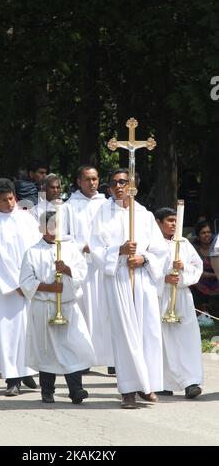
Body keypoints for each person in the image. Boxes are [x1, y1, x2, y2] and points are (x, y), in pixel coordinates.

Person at [90, 168, 167, 408]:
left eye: (123, 182)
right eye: (114, 183)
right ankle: (128, 390)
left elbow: (160, 250)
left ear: (133, 185)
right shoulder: (102, 214)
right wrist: (118, 252)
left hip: (142, 277)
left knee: (148, 331)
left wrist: (143, 259)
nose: (119, 186)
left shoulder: (143, 215)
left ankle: (148, 385)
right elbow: (95, 248)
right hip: (119, 277)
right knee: (125, 333)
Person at [20, 211, 96, 404]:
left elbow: (81, 272)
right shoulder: (32, 252)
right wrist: (49, 287)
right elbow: (26, 281)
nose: (53, 230)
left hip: (68, 306)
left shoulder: (70, 249)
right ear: (41, 228)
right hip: (44, 306)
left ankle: (76, 390)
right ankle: (47, 391)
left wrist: (67, 270)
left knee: (72, 348)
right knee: (47, 350)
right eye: (49, 225)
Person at [0, 179, 40, 396]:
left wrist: (35, 278)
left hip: (31, 284)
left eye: (12, 197)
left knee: (29, 330)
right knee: (9, 332)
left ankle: (28, 371)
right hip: (9, 289)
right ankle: (12, 378)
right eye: (4, 200)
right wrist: (15, 284)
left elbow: (37, 248)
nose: (10, 202)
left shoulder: (26, 219)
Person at [63, 165, 113, 370]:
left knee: (108, 311)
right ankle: (84, 358)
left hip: (105, 265)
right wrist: (81, 246)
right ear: (78, 182)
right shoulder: (68, 206)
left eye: (95, 179)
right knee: (83, 312)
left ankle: (112, 359)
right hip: (82, 265)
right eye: (87, 179)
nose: (92, 183)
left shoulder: (108, 204)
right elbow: (63, 236)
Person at [155, 207, 203, 398]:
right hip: (161, 296)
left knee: (186, 339)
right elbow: (146, 266)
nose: (174, 224)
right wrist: (164, 277)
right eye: (169, 220)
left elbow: (197, 266)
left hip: (182, 296)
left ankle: (190, 382)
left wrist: (183, 269)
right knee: (163, 340)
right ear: (158, 223)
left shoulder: (183, 243)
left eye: (175, 220)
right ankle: (163, 381)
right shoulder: (152, 244)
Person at [191, 221, 219, 315]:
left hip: (216, 282)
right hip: (200, 281)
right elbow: (196, 270)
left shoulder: (216, 248)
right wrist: (215, 274)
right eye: (203, 233)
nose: (207, 235)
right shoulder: (193, 249)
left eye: (209, 232)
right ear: (198, 236)